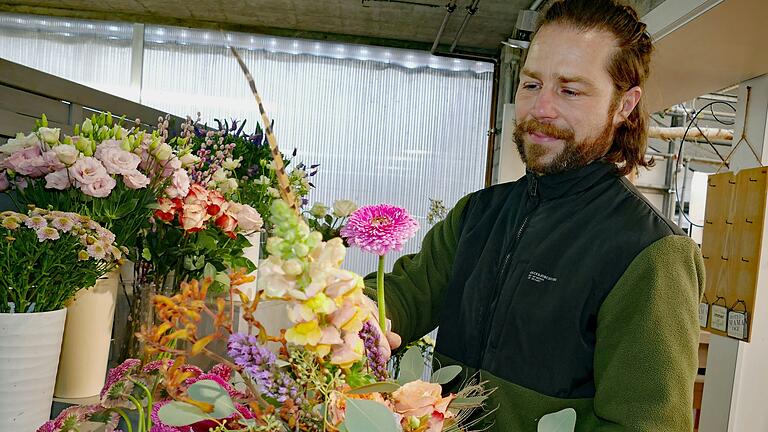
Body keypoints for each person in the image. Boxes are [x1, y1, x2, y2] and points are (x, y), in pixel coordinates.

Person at [365, 0, 705, 430]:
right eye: (531, 85)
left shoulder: (650, 252)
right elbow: (405, 294)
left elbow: (646, 424)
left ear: (624, 105)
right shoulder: (480, 213)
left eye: (570, 90)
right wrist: (357, 312)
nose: (541, 108)